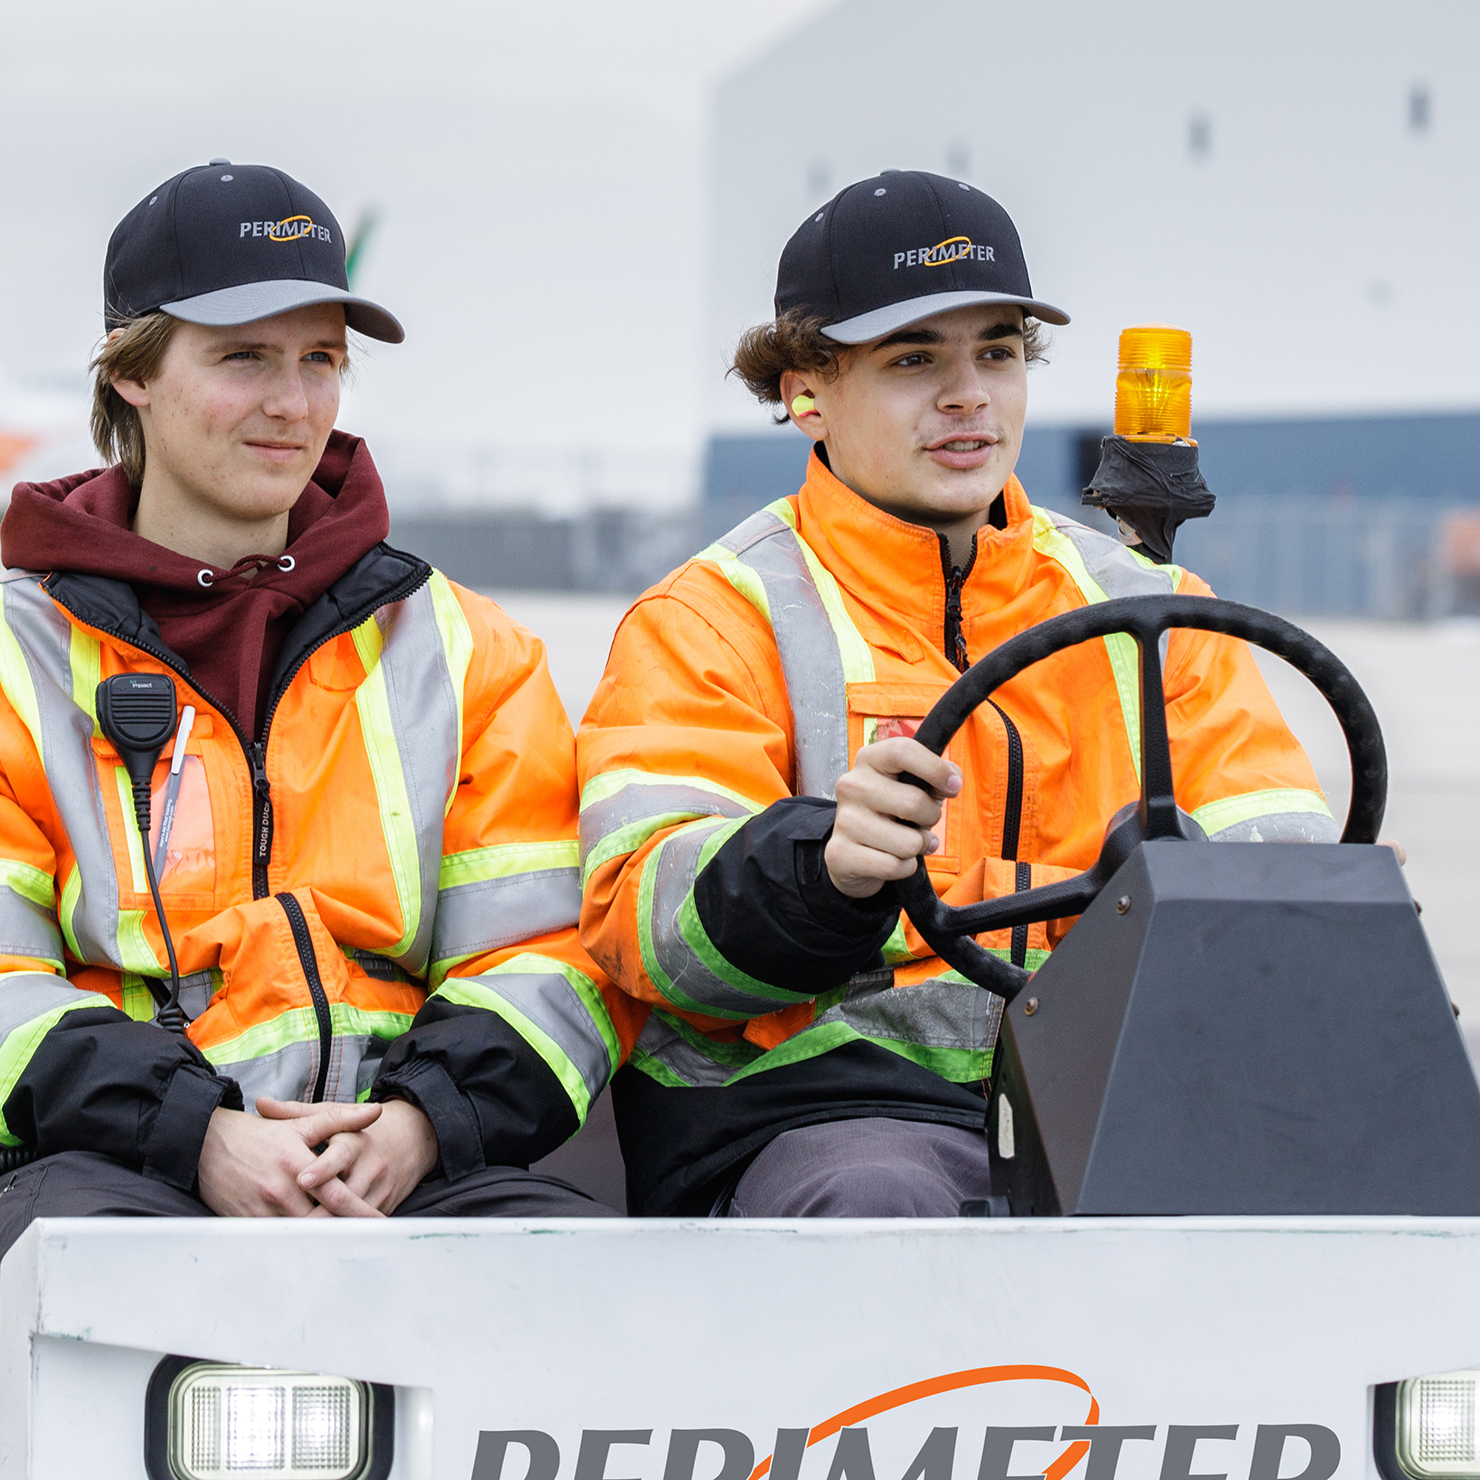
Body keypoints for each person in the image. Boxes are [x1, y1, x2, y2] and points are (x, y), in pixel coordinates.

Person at [576, 170, 1339, 1218]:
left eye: (996, 350)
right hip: (815, 1113)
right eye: (911, 359)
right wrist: (822, 869)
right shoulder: (714, 619)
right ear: (804, 389)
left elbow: (1284, 881)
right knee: (882, 1206)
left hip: (1120, 1099)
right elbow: (644, 923)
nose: (967, 393)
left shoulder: (1154, 609)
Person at [0, 160, 643, 1258]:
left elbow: (554, 953)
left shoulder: (460, 646)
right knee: (86, 1266)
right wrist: (197, 1134)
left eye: (320, 361)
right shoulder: (21, 655)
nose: (291, 404)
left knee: (584, 1282)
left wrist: (418, 1127)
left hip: (402, 1170)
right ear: (132, 375)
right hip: (109, 1170)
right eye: (244, 357)